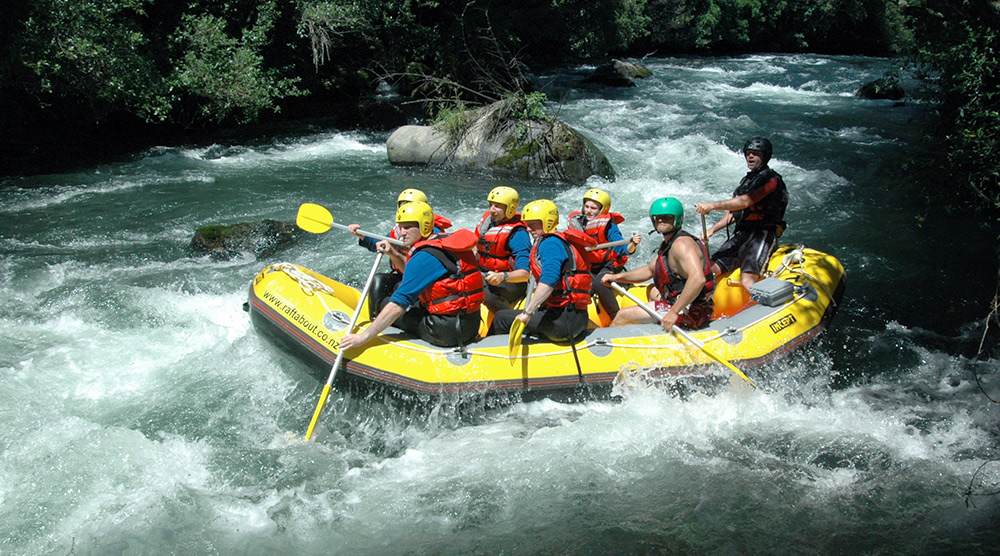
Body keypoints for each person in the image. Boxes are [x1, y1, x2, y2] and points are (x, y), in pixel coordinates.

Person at [339, 201, 484, 350]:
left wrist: (362, 337)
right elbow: (417, 273)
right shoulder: (445, 241)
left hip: (444, 331)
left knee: (384, 304)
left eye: (407, 227)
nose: (402, 233)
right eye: (401, 227)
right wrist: (392, 253)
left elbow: (397, 305)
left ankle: (373, 329)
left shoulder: (425, 256)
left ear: (424, 226)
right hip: (471, 324)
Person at [489, 199, 595, 342]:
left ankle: (489, 351)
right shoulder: (561, 240)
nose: (528, 229)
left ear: (548, 222)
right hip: (577, 318)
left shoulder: (550, 243)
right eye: (527, 224)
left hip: (562, 323)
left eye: (533, 224)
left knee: (500, 318)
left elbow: (549, 280)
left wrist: (527, 313)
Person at [602, 197, 715, 330]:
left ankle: (611, 338)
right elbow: (649, 270)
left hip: (693, 311)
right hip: (682, 302)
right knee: (652, 290)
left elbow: (698, 279)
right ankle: (655, 327)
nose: (661, 220)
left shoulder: (682, 244)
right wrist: (616, 277)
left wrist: (673, 312)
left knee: (623, 315)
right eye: (657, 217)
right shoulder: (669, 243)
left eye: (666, 217)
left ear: (677, 219)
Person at [695, 137, 788, 292]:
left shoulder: (772, 180)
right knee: (709, 271)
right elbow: (734, 213)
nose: (750, 156)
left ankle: (762, 303)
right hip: (742, 234)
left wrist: (712, 206)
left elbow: (745, 202)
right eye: (748, 153)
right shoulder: (747, 181)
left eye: (755, 153)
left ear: (765, 156)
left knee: (747, 280)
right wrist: (712, 230)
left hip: (762, 234)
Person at [346, 188, 452, 315]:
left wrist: (394, 253)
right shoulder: (401, 230)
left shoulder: (431, 232)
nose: (405, 210)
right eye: (402, 206)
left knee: (399, 287)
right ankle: (374, 318)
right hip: (404, 274)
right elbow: (380, 243)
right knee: (379, 280)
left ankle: (402, 317)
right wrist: (362, 235)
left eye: (409, 206)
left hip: (424, 280)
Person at [567, 188, 641, 321]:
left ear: (602, 210)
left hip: (610, 264)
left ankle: (616, 317)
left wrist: (632, 245)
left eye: (593, 208)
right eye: (586, 206)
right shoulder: (578, 222)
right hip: (590, 266)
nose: (588, 211)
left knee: (600, 283)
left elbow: (621, 246)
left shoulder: (609, 225)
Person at [475, 186, 532, 312]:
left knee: (483, 291)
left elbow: (525, 274)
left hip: (512, 282)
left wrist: (502, 276)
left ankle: (506, 317)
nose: (492, 210)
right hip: (486, 274)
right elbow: (477, 249)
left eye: (497, 206)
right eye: (491, 205)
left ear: (510, 209)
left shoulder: (518, 234)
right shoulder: (487, 223)